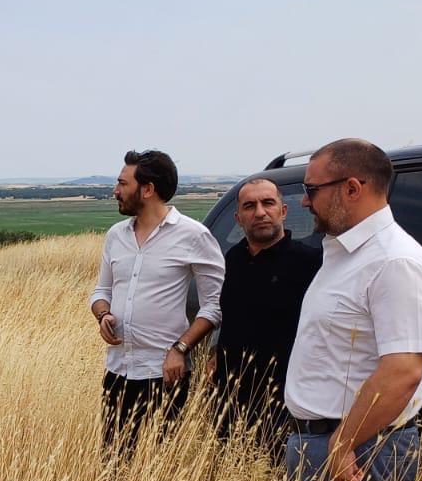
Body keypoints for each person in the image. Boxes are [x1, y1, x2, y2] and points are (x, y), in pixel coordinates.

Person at [284, 138, 422, 481]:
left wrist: (342, 443)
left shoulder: (395, 261)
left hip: (361, 448)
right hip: (329, 442)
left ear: (352, 188)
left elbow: (403, 369)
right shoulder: (346, 254)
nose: (305, 201)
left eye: (311, 190)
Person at [89, 149, 224, 448]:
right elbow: (102, 292)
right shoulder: (116, 236)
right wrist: (103, 315)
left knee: (159, 471)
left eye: (123, 184)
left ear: (147, 189)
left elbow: (213, 307)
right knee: (113, 465)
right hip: (118, 371)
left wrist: (180, 349)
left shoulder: (194, 236)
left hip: (165, 375)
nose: (115, 191)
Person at [210, 178, 321, 453]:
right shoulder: (232, 260)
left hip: (284, 404)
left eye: (268, 203)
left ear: (283, 211)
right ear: (238, 218)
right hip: (230, 401)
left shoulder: (311, 264)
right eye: (249, 206)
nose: (259, 212)